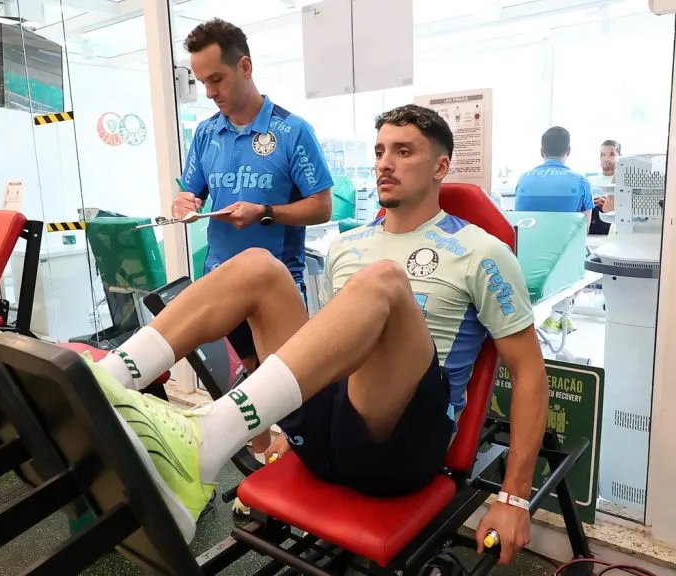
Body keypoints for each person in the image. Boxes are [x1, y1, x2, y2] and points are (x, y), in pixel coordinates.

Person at [90, 104, 548, 565]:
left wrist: (514, 498)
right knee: (258, 265)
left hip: (403, 447)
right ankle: (105, 382)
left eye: (403, 151)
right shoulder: (346, 246)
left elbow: (529, 372)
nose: (385, 163)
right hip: (327, 432)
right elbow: (329, 345)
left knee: (382, 281)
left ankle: (209, 435)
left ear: (440, 167)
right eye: (380, 151)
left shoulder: (482, 251)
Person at [173, 18, 333, 377]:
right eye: (202, 83)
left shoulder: (293, 132)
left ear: (244, 67)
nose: (210, 92)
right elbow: (188, 191)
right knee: (246, 376)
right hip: (219, 281)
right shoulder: (206, 133)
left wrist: (264, 212)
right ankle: (255, 437)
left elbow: (322, 208)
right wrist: (181, 203)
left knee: (280, 389)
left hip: (276, 285)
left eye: (217, 79)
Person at [514, 126, 593, 226]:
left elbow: (518, 224)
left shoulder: (523, 179)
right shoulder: (581, 182)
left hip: (526, 241)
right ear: (568, 151)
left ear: (541, 152)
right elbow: (584, 230)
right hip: (565, 241)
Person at [591, 140, 621, 235]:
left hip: (612, 223)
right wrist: (590, 202)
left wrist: (609, 202)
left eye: (611, 154)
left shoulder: (622, 182)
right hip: (592, 221)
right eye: (603, 154)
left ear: (619, 156)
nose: (606, 158)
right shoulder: (589, 180)